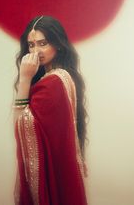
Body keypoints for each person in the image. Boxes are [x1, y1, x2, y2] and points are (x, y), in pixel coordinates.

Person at [13, 15, 88, 205]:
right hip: (60, 173)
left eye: (43, 43)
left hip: (53, 176)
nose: (35, 51)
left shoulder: (54, 82)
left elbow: (22, 125)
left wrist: (24, 79)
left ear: (59, 44)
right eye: (31, 45)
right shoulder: (64, 78)